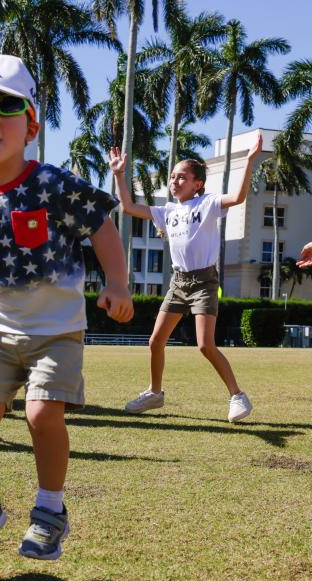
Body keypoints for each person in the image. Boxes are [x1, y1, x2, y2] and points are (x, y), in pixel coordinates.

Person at [0, 54, 133, 559]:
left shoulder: (51, 182)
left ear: (31, 126)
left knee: (42, 413)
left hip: (56, 332)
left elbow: (102, 224)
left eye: (5, 106)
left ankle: (50, 510)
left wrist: (118, 282)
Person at [110, 133, 263, 423]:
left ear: (198, 183)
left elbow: (239, 197)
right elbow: (128, 207)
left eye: (182, 177)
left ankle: (237, 395)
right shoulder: (166, 211)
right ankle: (155, 393)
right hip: (178, 283)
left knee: (205, 345)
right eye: (173, 177)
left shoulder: (207, 204)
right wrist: (119, 175)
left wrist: (248, 161)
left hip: (204, 282)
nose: (175, 181)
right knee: (155, 341)